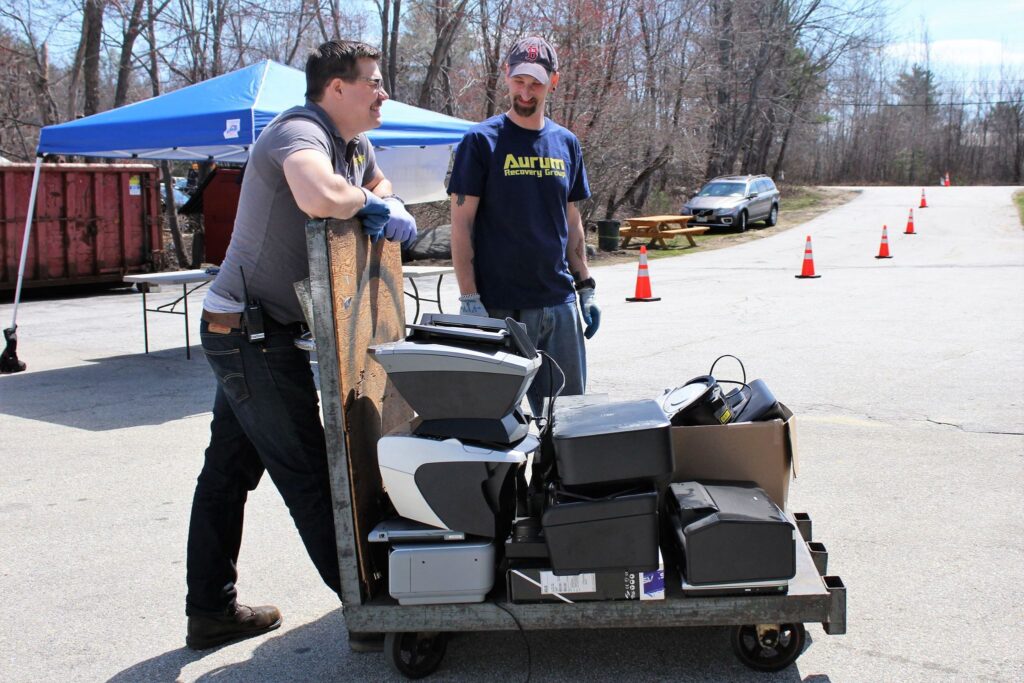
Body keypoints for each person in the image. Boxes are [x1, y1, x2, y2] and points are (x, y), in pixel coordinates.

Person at [185, 40, 416, 653]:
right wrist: (371, 203)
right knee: (314, 474)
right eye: (372, 81)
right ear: (335, 89)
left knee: (227, 472)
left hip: (259, 328)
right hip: (248, 333)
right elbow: (318, 195)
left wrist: (379, 192)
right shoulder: (299, 132)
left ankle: (210, 610)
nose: (382, 92)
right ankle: (372, 611)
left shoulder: (352, 143)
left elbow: (376, 175)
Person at [447, 36, 599, 415]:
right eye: (519, 82)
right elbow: (462, 225)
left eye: (536, 83)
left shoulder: (567, 144)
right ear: (507, 77)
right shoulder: (480, 141)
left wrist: (586, 287)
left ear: (554, 82)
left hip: (558, 306)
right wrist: (470, 299)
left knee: (567, 422)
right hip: (501, 309)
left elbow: (572, 220)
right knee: (500, 426)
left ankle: (557, 478)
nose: (526, 92)